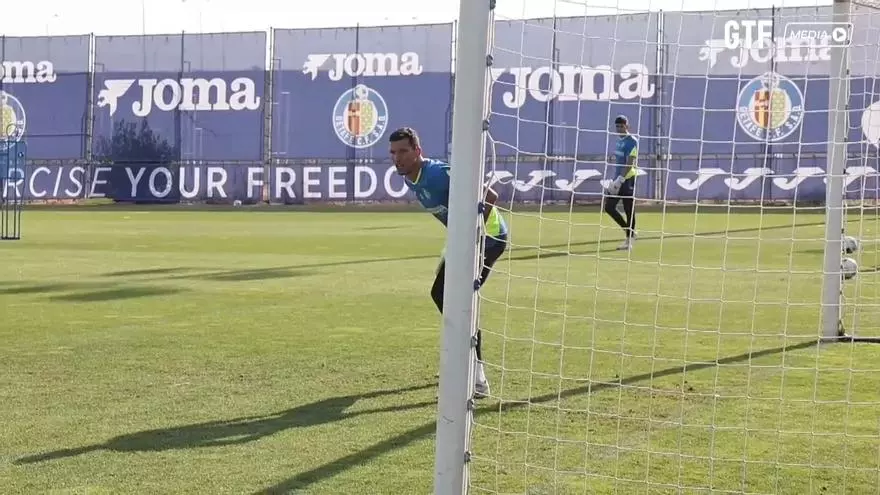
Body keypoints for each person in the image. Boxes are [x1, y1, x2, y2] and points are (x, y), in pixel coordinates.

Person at [389, 126, 508, 399]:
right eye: (393, 153)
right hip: (463, 241)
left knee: (458, 300)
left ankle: (477, 377)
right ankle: (463, 362)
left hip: (488, 238)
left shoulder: (437, 174)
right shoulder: (411, 178)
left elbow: (490, 196)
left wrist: (471, 237)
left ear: (418, 151)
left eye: (403, 151)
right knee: (442, 295)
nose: (397, 158)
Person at [604, 115, 639, 250]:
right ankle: (629, 232)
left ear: (627, 126)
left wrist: (620, 180)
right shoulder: (619, 141)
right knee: (609, 207)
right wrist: (615, 180)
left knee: (629, 209)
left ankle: (629, 241)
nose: (619, 128)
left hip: (627, 179)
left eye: (621, 126)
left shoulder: (632, 141)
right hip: (618, 179)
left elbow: (630, 163)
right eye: (617, 126)